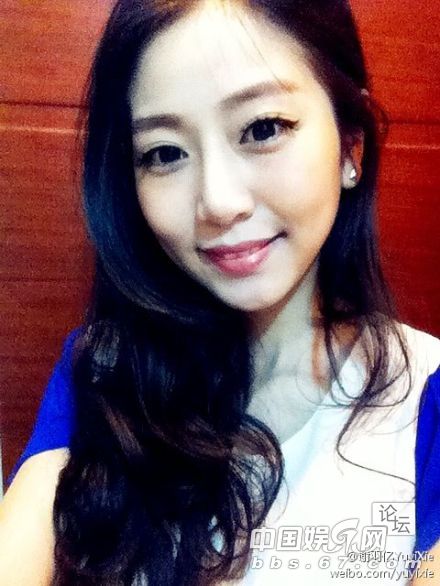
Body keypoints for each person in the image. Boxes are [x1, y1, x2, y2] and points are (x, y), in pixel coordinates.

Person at [0, 0, 439, 584]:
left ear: (350, 145)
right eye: (165, 153)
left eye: (263, 129)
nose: (218, 202)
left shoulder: (424, 394)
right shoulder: (105, 370)